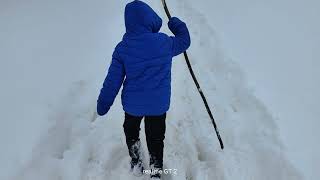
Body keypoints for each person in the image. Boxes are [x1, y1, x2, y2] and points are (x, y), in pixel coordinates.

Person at [97, 0, 190, 179]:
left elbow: (112, 81)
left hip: (133, 106)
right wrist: (175, 23)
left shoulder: (122, 49)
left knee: (131, 131)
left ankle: (136, 161)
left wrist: (103, 104)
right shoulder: (163, 42)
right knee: (156, 139)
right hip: (158, 105)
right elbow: (184, 41)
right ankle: (155, 171)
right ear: (150, 19)